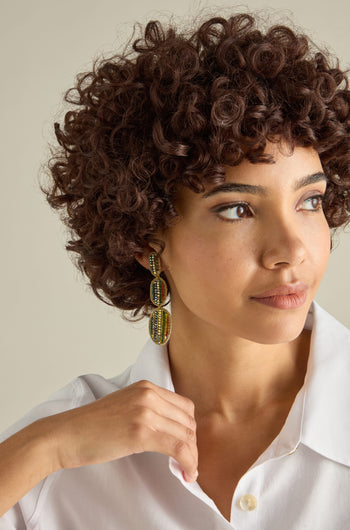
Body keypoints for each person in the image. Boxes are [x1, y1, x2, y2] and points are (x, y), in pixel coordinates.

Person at [1, 10, 350, 529]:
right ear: (148, 238)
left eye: (310, 201)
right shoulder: (56, 458)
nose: (291, 250)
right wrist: (42, 449)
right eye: (237, 208)